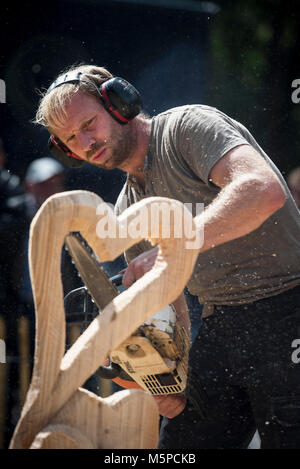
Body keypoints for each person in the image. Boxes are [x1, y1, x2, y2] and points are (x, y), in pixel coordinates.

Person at [33, 65, 300, 449]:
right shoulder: (130, 205)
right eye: (71, 139)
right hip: (221, 322)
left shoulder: (187, 128)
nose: (86, 142)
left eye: (89, 123)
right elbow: (169, 298)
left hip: (288, 311)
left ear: (119, 103)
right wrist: (165, 374)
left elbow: (262, 189)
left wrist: (173, 246)